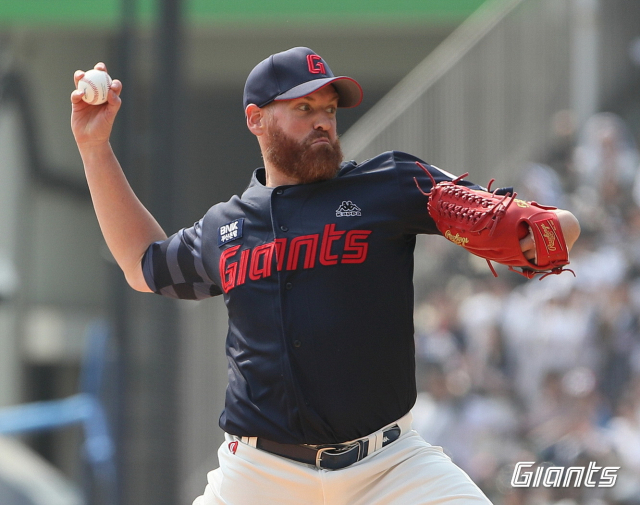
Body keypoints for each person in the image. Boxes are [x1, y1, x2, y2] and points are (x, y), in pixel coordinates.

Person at [70, 47, 580, 504]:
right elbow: (143, 264)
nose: (323, 122)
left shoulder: (390, 185)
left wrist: (543, 233)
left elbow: (557, 228)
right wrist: (95, 148)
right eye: (304, 108)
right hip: (260, 475)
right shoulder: (226, 226)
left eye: (330, 110)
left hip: (389, 467)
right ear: (256, 119)